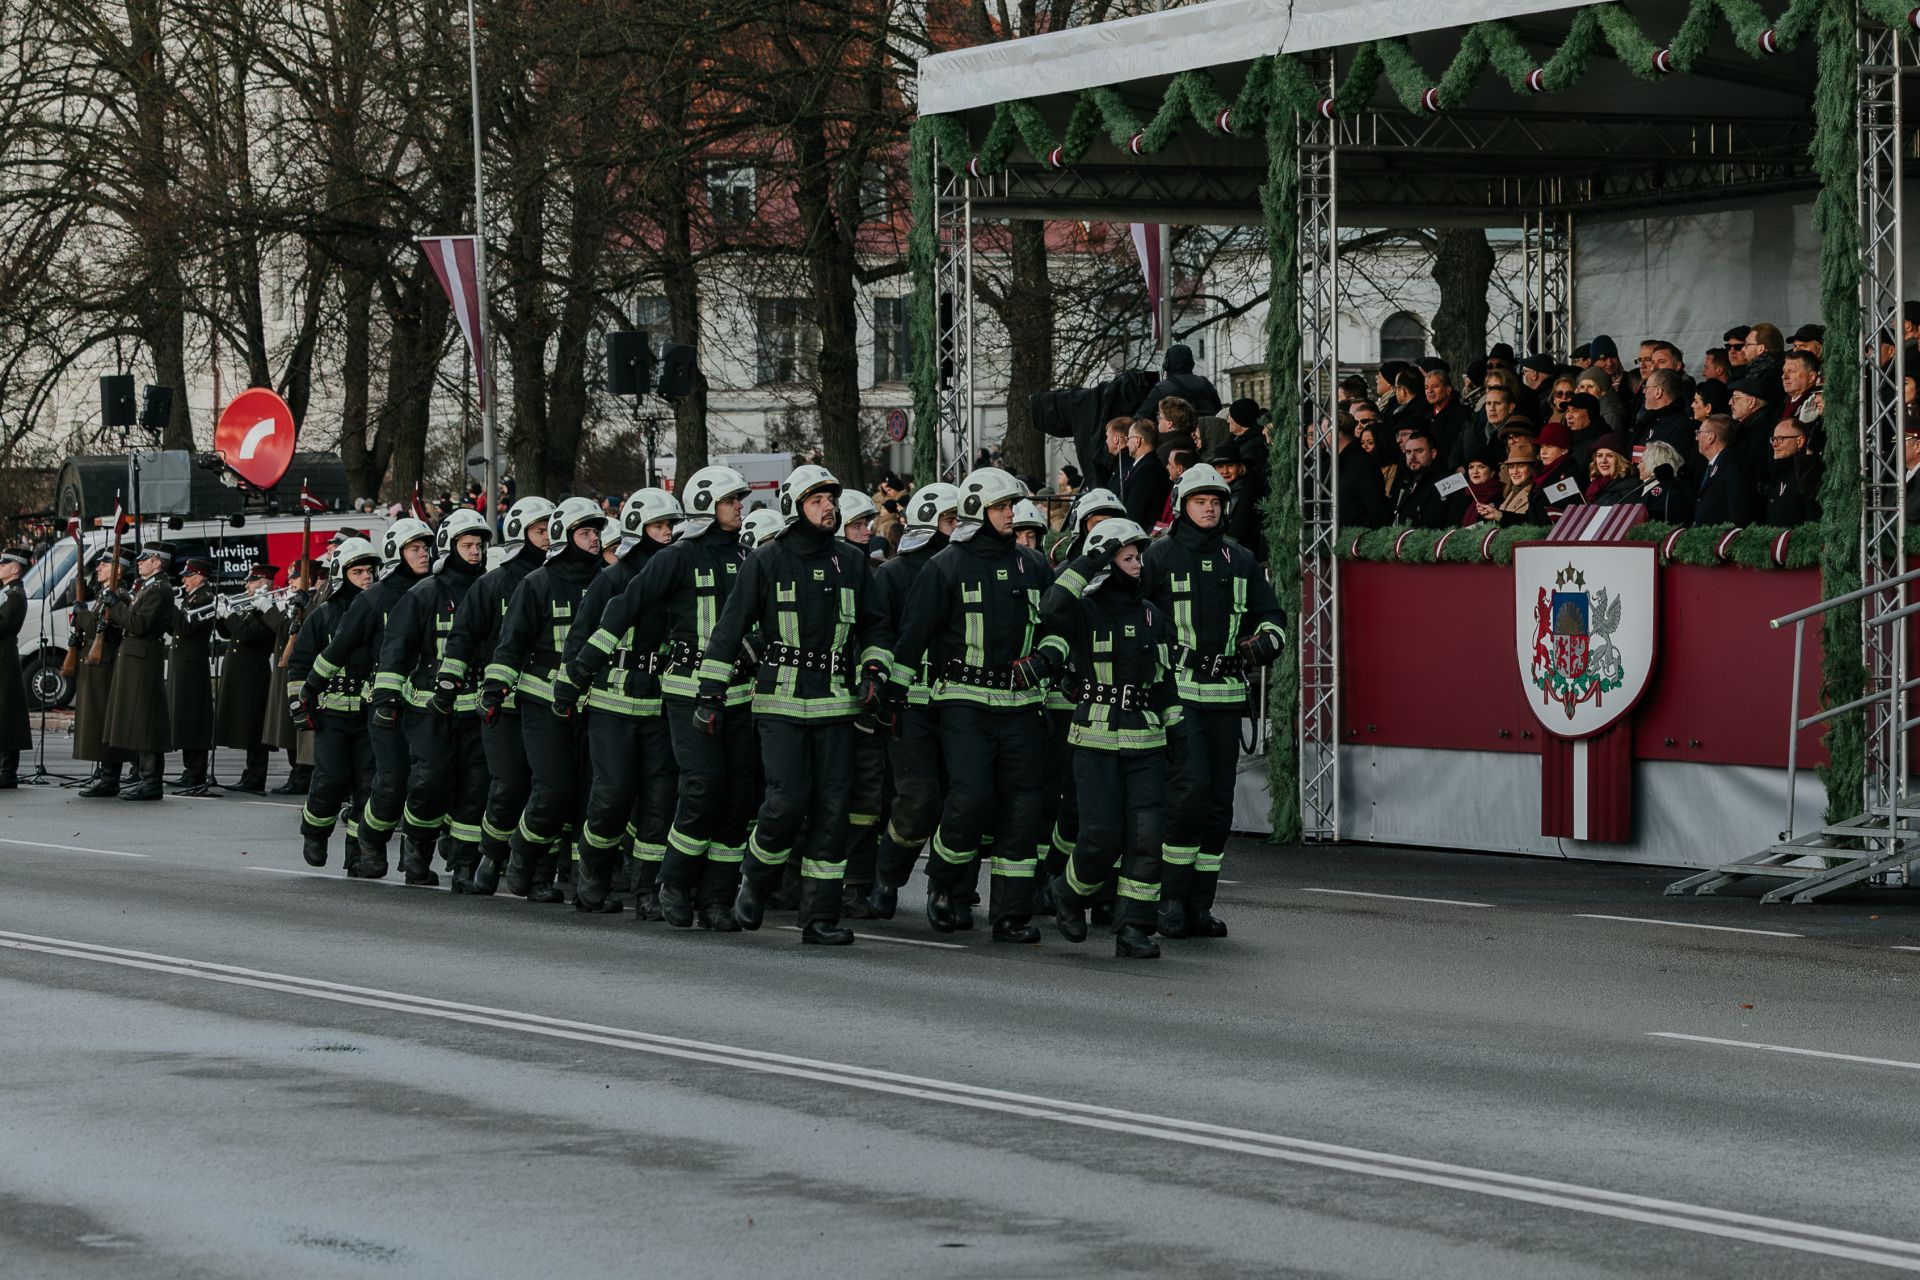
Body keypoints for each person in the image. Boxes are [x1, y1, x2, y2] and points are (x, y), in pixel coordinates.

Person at [698, 466, 887, 944]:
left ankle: (819, 917)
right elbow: (729, 628)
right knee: (786, 801)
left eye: (830, 497)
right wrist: (710, 693)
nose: (828, 506)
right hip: (779, 702)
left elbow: (876, 626)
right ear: (795, 506)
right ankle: (755, 881)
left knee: (832, 810)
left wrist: (873, 672)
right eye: (817, 498)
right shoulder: (766, 560)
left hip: (836, 706)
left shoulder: (852, 560)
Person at [569, 467, 756, 930]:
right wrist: (578, 671)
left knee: (735, 799)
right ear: (707, 505)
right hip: (687, 692)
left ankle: (715, 897)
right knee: (700, 787)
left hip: (740, 693)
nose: (739, 505)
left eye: (740, 499)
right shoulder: (678, 558)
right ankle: (669, 882)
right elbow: (623, 609)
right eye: (732, 499)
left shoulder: (751, 556)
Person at [879, 467, 1055, 941]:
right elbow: (913, 635)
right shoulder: (946, 565)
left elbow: (1059, 625)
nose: (1011, 515)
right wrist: (892, 696)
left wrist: (1046, 657)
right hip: (963, 704)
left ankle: (1011, 915)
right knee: (971, 798)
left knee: (1022, 809)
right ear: (978, 511)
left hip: (1020, 704)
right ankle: (942, 883)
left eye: (1011, 507)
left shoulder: (1031, 564)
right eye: (1002, 507)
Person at [1140, 463, 1283, 938]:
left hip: (1225, 695)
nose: (1209, 508)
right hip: (1178, 694)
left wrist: (1267, 640)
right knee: (1188, 795)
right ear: (1183, 505)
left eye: (1216, 501)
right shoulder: (1157, 557)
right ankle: (1170, 902)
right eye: (1201, 501)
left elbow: (1271, 616)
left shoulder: (1239, 559)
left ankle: (1201, 905)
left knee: (1221, 804)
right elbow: (1131, 617)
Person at [1038, 518, 1177, 959]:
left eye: (1140, 557)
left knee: (1147, 838)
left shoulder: (1155, 614)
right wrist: (1093, 556)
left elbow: (1165, 684)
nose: (1139, 565)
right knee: (1100, 837)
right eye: (1129, 557)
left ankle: (1134, 928)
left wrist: (1179, 733)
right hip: (1094, 741)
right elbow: (1051, 605)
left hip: (1147, 743)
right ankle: (1068, 893)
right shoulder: (1084, 609)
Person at [560, 488, 683, 918]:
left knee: (660, 797)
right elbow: (579, 638)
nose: (666, 534)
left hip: (663, 701)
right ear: (637, 529)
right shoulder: (612, 578)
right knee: (611, 795)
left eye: (670, 525)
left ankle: (647, 888)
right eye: (657, 526)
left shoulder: (677, 575)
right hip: (614, 702)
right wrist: (568, 686)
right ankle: (592, 872)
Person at [486, 497, 608, 905]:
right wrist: (495, 688)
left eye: (596, 532)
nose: (594, 540)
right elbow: (511, 644)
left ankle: (583, 880)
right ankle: (525, 861)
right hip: (543, 702)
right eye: (585, 533)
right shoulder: (535, 584)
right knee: (553, 789)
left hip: (599, 701)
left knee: (591, 794)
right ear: (564, 537)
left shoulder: (610, 581)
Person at [435, 496, 554, 893]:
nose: (549, 537)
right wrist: (449, 689)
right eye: (541, 531)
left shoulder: (560, 578)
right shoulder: (492, 584)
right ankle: (483, 860)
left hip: (548, 701)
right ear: (521, 533)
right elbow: (463, 638)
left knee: (547, 786)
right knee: (505, 784)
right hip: (500, 703)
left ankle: (534, 872)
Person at [307, 518, 434, 878]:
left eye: (426, 547)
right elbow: (339, 647)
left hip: (431, 705)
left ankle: (416, 859)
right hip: (386, 708)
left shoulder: (439, 589)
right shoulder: (373, 598)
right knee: (389, 782)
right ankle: (369, 840)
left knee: (429, 783)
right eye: (414, 548)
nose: (423, 554)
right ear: (396, 551)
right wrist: (310, 689)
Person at [375, 508, 494, 889]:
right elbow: (397, 649)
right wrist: (386, 697)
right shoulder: (424, 593)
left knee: (475, 787)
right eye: (467, 545)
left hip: (475, 707)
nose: (475, 552)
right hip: (428, 708)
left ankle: (462, 864)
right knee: (430, 782)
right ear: (449, 546)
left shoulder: (492, 590)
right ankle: (417, 848)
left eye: (479, 545)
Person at [863, 482, 963, 919]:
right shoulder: (893, 575)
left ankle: (946, 890)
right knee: (918, 797)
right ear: (928, 523)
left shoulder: (967, 566)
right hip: (910, 704)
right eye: (949, 520)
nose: (958, 528)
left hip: (962, 701)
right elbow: (877, 634)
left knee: (964, 799)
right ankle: (888, 876)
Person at [287, 537, 382, 872]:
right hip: (332, 716)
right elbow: (299, 664)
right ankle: (315, 832)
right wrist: (299, 705)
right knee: (331, 779)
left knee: (368, 784)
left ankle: (357, 852)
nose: (367, 577)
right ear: (342, 574)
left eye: (370, 571)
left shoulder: (382, 614)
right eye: (358, 571)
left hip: (371, 715)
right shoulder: (323, 616)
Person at [102, 544, 177, 802]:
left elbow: (139, 624)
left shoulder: (159, 589)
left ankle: (151, 780)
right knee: (137, 718)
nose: (140, 563)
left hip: (143, 656)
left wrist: (116, 607)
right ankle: (142, 776)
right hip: (135, 655)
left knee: (147, 718)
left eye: (145, 559)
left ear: (158, 562)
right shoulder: (148, 587)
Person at [72, 549, 133, 796]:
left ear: (117, 569)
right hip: (96, 662)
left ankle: (110, 776)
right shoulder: (105, 594)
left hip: (106, 663)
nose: (98, 569)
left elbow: (107, 630)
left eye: (104, 565)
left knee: (104, 718)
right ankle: (105, 773)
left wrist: (82, 615)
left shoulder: (120, 596)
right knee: (96, 719)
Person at [266, 558, 328, 796]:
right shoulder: (304, 599)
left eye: (294, 577)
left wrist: (274, 611)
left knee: (303, 729)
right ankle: (297, 772)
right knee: (292, 727)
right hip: (292, 667)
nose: (289, 581)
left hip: (307, 668)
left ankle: (302, 774)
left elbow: (297, 627)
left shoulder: (315, 599)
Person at [215, 564, 278, 792]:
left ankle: (255, 777)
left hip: (254, 674)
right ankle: (250, 774)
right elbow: (229, 632)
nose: (246, 586)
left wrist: (230, 615)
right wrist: (222, 615)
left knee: (254, 727)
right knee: (245, 725)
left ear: (264, 582)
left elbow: (247, 634)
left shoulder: (267, 608)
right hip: (240, 672)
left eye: (251, 581)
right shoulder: (252, 606)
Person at [167, 556, 217, 790]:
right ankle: (190, 769)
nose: (184, 581)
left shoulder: (206, 597)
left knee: (194, 719)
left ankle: (196, 771)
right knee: (185, 719)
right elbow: (177, 626)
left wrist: (171, 606)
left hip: (193, 665)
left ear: (199, 576)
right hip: (183, 664)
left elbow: (188, 627)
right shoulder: (193, 597)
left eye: (187, 576)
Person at [0, 547, 31, 786]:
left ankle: (7, 770)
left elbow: (5, 625)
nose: (0, 567)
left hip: (4, 656)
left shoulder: (15, 595)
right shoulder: (5, 592)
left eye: (4, 564)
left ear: (15, 568)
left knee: (6, 712)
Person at [1693, 414, 1756, 524]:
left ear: (1711, 437)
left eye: (1699, 433)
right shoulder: (1716, 463)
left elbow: (1737, 513)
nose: (1696, 437)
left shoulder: (1733, 466)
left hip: (1723, 539)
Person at [1136, 342, 1221, 419]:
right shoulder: (1205, 383)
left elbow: (1141, 416)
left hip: (1179, 435)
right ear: (1192, 363)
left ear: (1167, 364)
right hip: (1208, 433)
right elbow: (1219, 410)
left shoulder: (1164, 387)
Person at [1763, 418, 1822, 527]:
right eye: (1773, 439)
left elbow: (1813, 521)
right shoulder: (1778, 471)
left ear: (1800, 441)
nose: (1774, 444)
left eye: (1780, 439)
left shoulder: (1807, 472)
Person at [1337, 412, 1391, 528]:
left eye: (1370, 442)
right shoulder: (1343, 461)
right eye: (1363, 442)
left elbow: (1377, 509)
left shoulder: (1362, 463)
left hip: (1358, 538)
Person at [1389, 428, 1450, 528]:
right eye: (1408, 452)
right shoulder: (1409, 481)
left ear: (1433, 453)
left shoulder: (1447, 481)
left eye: (1419, 451)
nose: (1412, 456)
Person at [1484, 440, 1548, 526]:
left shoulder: (1536, 493)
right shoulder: (1511, 492)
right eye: (1511, 467)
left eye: (1521, 466)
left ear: (1533, 468)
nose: (1514, 472)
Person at [1122, 419, 1171, 528]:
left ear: (1138, 440)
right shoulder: (1147, 465)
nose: (1127, 443)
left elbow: (1134, 510)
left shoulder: (1147, 469)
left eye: (1129, 438)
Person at [1638, 441, 1694, 524]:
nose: (1638, 466)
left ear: (1653, 464)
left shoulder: (1668, 493)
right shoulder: (1673, 489)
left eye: (1641, 461)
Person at [1584, 435, 1643, 506]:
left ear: (1620, 460)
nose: (1603, 460)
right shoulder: (1596, 486)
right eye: (1599, 456)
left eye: (1610, 456)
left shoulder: (1630, 488)